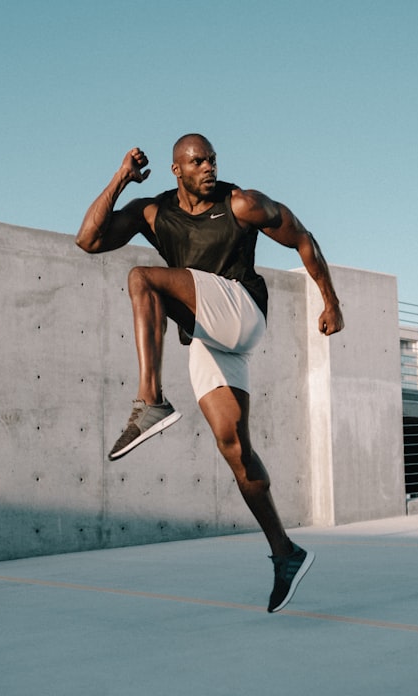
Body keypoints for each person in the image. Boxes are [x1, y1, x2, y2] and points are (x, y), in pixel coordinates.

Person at [75, 134, 344, 613]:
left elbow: (301, 235)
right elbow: (88, 240)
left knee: (142, 278)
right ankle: (285, 551)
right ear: (177, 170)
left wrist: (331, 301)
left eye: (212, 160)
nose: (208, 168)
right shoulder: (154, 212)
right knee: (234, 446)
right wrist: (121, 178)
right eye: (197, 162)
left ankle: (149, 401)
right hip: (208, 334)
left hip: (242, 309)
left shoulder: (241, 204)